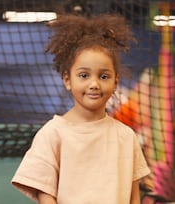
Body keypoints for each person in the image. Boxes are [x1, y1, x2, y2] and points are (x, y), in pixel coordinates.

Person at [11, 14, 150, 204]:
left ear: (116, 81)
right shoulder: (53, 134)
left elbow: (134, 196)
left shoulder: (126, 136)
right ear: (68, 80)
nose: (94, 84)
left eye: (103, 76)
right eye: (84, 75)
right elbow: (46, 193)